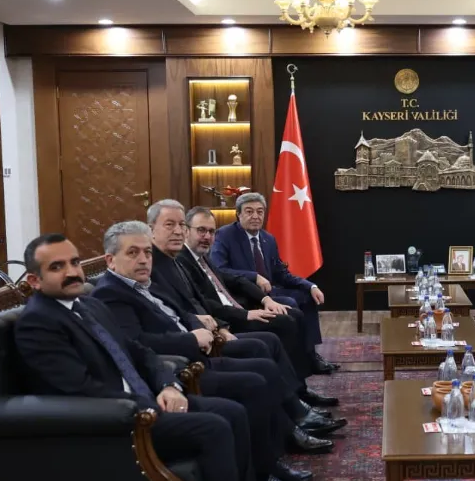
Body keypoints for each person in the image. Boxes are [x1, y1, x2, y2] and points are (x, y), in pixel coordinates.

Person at [14, 233, 297, 481]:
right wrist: (147, 405)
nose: (72, 272)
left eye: (74, 262)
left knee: (233, 413)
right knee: (215, 428)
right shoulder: (38, 323)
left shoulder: (86, 305)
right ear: (34, 280)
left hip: (146, 401)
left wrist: (167, 385)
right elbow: (81, 390)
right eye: (57, 267)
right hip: (115, 423)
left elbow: (139, 352)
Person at [91, 221, 339, 458]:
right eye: (133, 252)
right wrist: (198, 335)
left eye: (147, 252)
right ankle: (287, 436)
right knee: (259, 364)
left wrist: (210, 325)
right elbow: (139, 344)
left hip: (204, 342)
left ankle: (294, 416)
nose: (144, 259)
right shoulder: (116, 291)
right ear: (110, 260)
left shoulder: (149, 279)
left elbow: (186, 309)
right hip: (185, 365)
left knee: (271, 345)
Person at [177, 206, 336, 408]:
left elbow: (234, 279)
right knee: (285, 322)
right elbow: (203, 303)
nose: (207, 236)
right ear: (186, 230)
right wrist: (245, 314)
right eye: (201, 230)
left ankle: (301, 387)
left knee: (293, 314)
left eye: (210, 231)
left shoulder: (203, 257)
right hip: (227, 319)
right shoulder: (183, 260)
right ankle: (296, 395)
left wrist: (265, 300)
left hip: (241, 306)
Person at [210, 192, 336, 374]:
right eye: (249, 211)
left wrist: (311, 286)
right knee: (290, 303)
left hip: (270, 292)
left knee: (307, 297)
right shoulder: (225, 235)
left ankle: (310, 354)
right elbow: (219, 270)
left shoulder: (268, 239)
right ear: (238, 214)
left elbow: (281, 274)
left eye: (260, 212)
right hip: (243, 295)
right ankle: (295, 360)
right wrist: (253, 276)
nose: (255, 216)